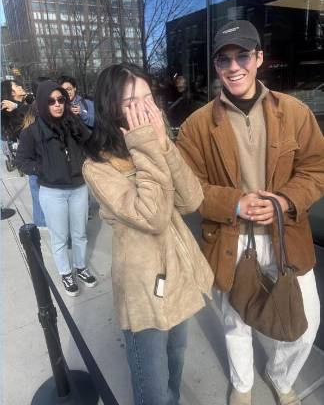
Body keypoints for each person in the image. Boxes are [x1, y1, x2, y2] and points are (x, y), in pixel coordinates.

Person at [176, 20, 324, 405]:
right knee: (236, 320)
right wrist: (235, 203)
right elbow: (186, 191)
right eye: (224, 59)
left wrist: (284, 200)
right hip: (231, 236)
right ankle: (243, 385)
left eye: (243, 55)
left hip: (286, 233)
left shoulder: (294, 112)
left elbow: (316, 169)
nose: (234, 66)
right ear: (216, 67)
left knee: (305, 324)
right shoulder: (196, 125)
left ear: (259, 59)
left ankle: (280, 374)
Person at [83, 63, 214, 405]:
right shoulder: (98, 166)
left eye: (148, 99)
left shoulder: (152, 145)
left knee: (176, 360)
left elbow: (191, 200)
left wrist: (164, 147)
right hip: (144, 289)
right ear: (111, 108)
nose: (145, 109)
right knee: (152, 385)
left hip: (178, 275)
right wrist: (147, 145)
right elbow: (153, 217)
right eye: (132, 102)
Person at [16, 80, 97, 296]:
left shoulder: (73, 123)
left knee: (80, 234)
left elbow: (91, 143)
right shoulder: (32, 132)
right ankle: (65, 272)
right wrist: (43, 169)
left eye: (61, 99)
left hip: (78, 187)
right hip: (52, 192)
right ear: (43, 103)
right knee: (60, 236)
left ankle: (80, 267)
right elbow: (22, 161)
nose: (57, 104)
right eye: (51, 101)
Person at [20, 76, 50, 227]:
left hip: (35, 164)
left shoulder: (31, 108)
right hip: (38, 163)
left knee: (37, 194)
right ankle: (42, 222)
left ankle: (40, 221)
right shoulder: (38, 108)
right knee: (38, 192)